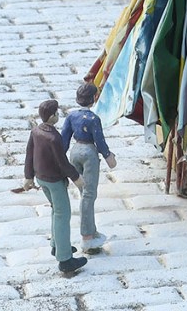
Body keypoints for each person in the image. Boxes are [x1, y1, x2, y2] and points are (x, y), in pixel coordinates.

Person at [22, 99, 88, 274]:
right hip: (54, 180)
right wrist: (76, 177)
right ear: (51, 116)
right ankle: (65, 259)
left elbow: (29, 154)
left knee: (55, 210)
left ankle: (57, 245)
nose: (58, 116)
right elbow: (62, 162)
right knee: (62, 214)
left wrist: (28, 177)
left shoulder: (36, 131)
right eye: (57, 113)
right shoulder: (54, 137)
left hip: (41, 178)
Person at [60, 82, 116, 251]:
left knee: (84, 193)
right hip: (89, 153)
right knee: (89, 195)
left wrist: (61, 159)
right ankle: (87, 237)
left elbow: (64, 140)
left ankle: (91, 230)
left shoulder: (71, 117)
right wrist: (108, 157)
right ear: (93, 99)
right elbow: (100, 141)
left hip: (75, 152)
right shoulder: (93, 119)